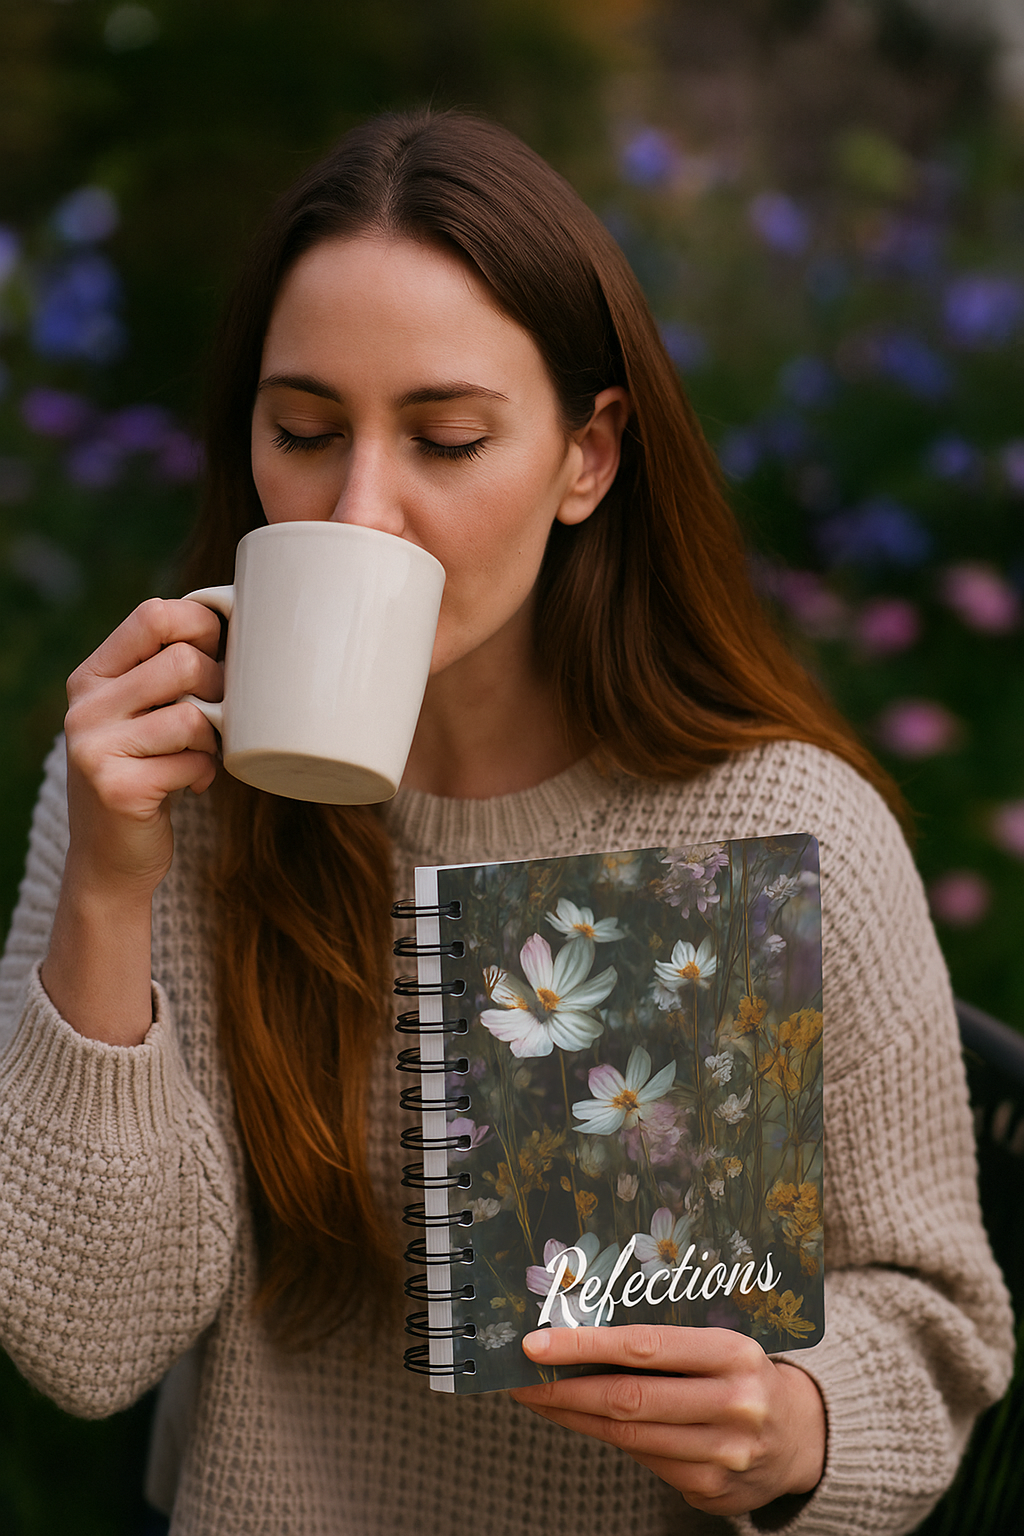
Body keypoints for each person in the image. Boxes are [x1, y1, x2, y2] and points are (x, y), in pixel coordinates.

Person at [0, 111, 1013, 1536]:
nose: (362, 511)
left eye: (449, 440)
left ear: (587, 457)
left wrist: (795, 1423)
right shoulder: (154, 800)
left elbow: (938, 1325)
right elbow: (87, 1345)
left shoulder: (779, 825)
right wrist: (110, 888)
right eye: (304, 433)